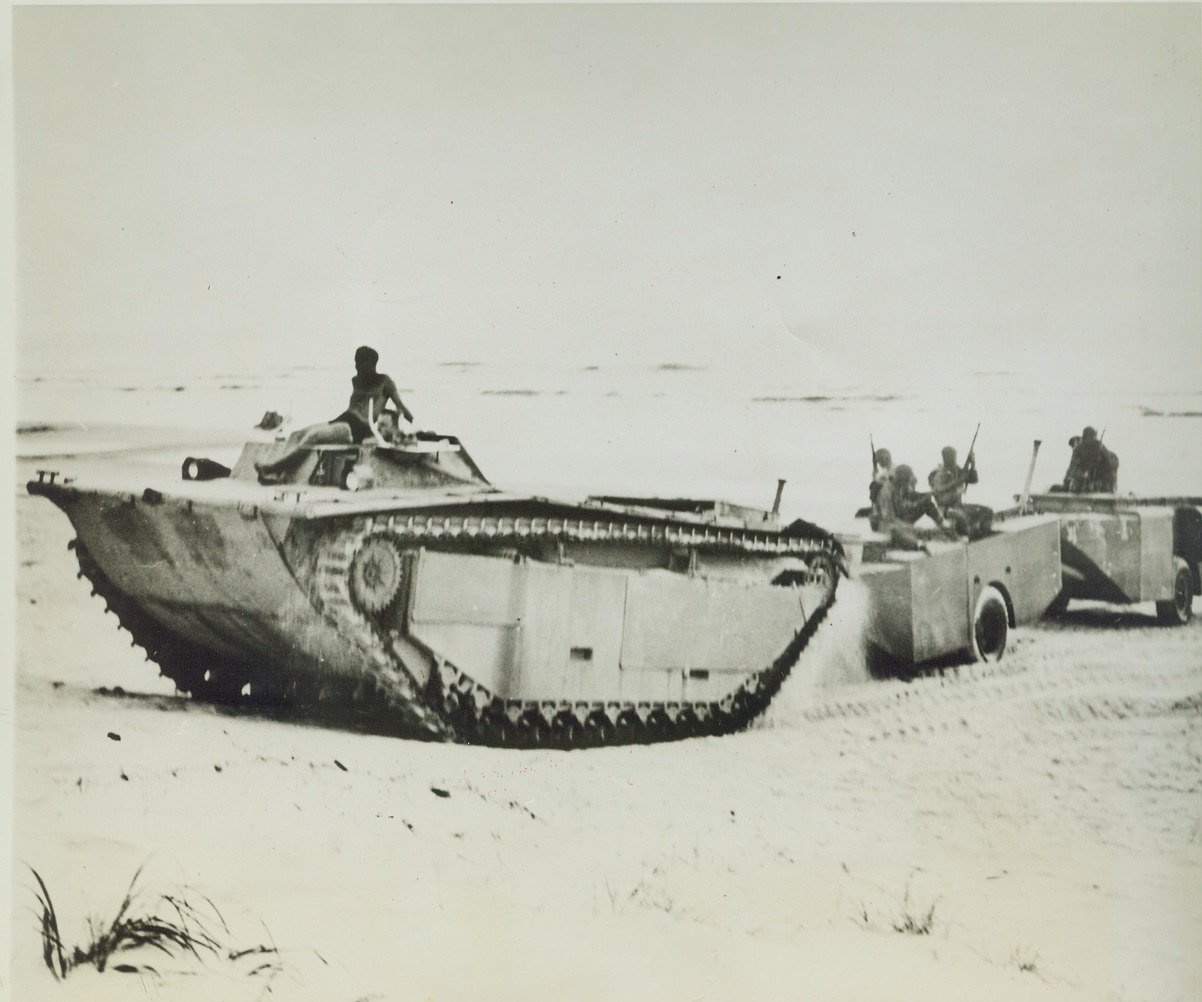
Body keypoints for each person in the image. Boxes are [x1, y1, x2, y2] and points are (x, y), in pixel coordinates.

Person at [255, 346, 414, 482]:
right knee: (297, 434)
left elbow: (400, 406)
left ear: (372, 363)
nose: (356, 365)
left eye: (359, 362)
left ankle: (271, 469)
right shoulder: (356, 380)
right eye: (356, 361)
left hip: (357, 428)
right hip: (343, 420)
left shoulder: (384, 381)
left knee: (314, 436)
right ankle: (278, 476)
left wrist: (415, 425)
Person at [928, 445, 992, 539]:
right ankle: (971, 537)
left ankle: (985, 534)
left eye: (955, 457)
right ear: (945, 458)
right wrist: (957, 491)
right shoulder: (939, 475)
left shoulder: (956, 469)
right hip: (946, 509)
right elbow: (941, 500)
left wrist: (972, 464)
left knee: (987, 511)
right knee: (961, 517)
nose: (954, 459)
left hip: (959, 506)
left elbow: (973, 480)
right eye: (952, 457)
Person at [1062, 426, 1119, 493]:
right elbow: (1073, 469)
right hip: (1083, 480)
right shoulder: (1079, 450)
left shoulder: (1099, 446)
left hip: (1099, 479)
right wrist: (1083, 475)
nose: (1093, 440)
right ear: (1085, 438)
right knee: (1075, 487)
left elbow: (1113, 464)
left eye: (1094, 438)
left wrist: (1103, 455)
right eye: (1090, 438)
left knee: (1109, 479)